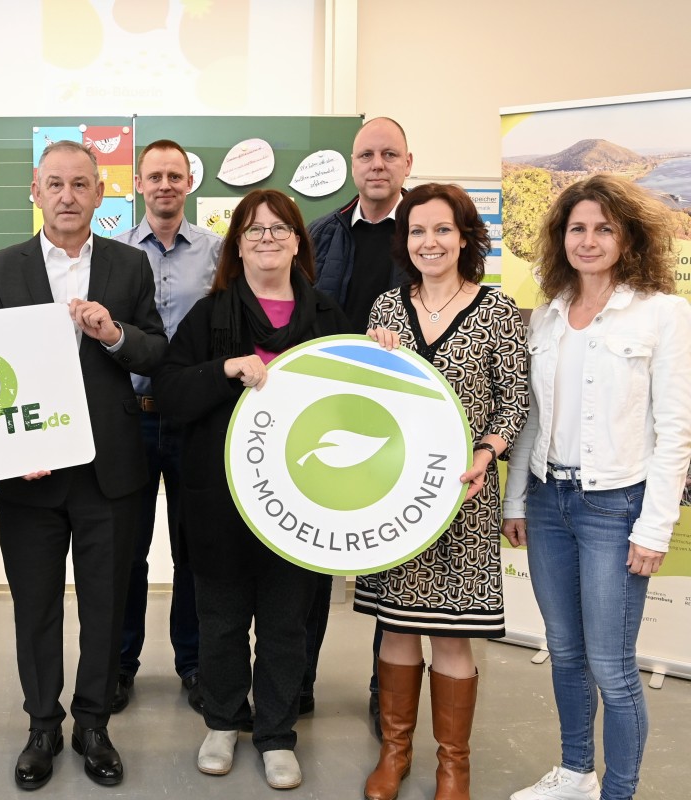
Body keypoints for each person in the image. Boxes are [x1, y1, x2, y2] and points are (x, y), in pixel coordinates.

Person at [0, 140, 167, 789]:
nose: (67, 195)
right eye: (54, 184)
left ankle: (93, 725)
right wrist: (7, 449)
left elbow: (155, 349)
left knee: (105, 607)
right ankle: (41, 726)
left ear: (100, 194)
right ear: (35, 191)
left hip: (109, 472)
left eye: (80, 184)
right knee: (35, 606)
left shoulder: (128, 264)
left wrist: (112, 334)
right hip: (28, 473)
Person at [503, 175, 691, 800]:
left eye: (604, 228)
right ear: (562, 238)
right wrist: (515, 500)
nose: (589, 240)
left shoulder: (662, 313)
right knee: (564, 651)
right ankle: (577, 773)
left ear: (627, 236)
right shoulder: (549, 315)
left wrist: (655, 526)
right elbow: (532, 414)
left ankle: (621, 790)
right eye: (577, 228)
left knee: (612, 667)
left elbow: (675, 431)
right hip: (548, 502)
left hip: (617, 507)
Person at [154, 188, 347, 790]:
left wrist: (386, 356)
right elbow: (170, 393)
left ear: (297, 241)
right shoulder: (211, 315)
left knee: (289, 622)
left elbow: (360, 400)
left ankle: (276, 733)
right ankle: (222, 721)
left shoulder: (330, 316)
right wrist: (225, 370)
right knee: (221, 620)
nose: (267, 238)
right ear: (237, 245)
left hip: (304, 503)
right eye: (254, 230)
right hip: (221, 500)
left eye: (279, 228)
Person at [354, 183, 528, 800]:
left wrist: (486, 454)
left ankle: (455, 765)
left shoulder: (498, 311)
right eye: (418, 231)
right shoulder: (385, 310)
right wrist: (373, 363)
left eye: (443, 230)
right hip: (397, 499)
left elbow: (515, 404)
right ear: (406, 241)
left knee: (453, 637)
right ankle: (395, 754)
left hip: (464, 496)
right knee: (398, 632)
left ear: (465, 237)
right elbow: (366, 402)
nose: (430, 242)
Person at [308, 116, 414, 727]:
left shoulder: (427, 233)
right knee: (311, 554)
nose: (377, 164)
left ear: (407, 162)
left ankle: (386, 691)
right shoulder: (320, 233)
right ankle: (296, 681)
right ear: (353, 164)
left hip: (394, 415)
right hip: (322, 412)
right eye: (366, 154)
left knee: (388, 560)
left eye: (388, 154)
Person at [112, 138, 222, 714]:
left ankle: (195, 664)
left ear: (189, 184)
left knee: (192, 549)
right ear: (137, 184)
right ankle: (121, 665)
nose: (164, 185)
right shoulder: (111, 252)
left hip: (194, 422)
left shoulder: (218, 252)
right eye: (153, 175)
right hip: (130, 421)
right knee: (126, 553)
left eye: (175, 176)